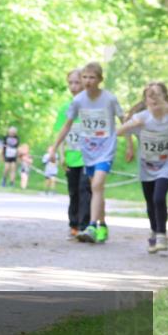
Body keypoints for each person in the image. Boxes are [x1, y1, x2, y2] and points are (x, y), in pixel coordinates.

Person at [49, 61, 125, 244]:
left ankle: (91, 225)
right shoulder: (78, 101)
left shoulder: (109, 99)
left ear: (99, 79)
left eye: (92, 77)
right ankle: (103, 224)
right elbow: (66, 126)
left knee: (96, 185)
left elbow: (125, 120)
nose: (88, 81)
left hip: (106, 150)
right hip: (88, 151)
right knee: (96, 189)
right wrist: (54, 148)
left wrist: (130, 144)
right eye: (85, 77)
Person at [117, 82, 168, 254]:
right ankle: (154, 231)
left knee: (158, 197)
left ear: (165, 97)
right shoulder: (142, 117)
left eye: (158, 94)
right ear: (146, 100)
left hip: (167, 165)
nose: (155, 98)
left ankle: (162, 235)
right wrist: (132, 125)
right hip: (147, 166)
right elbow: (119, 132)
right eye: (151, 95)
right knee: (150, 201)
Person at [53, 68, 92, 239]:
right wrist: (61, 154)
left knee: (85, 189)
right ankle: (73, 224)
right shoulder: (65, 108)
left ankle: (84, 225)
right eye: (71, 83)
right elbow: (61, 133)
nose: (74, 86)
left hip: (88, 157)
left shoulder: (91, 106)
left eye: (77, 82)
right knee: (73, 191)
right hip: (71, 156)